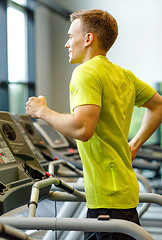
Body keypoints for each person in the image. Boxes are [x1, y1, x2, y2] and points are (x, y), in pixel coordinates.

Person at [26, 9, 162, 240]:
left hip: (108, 200)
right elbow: (158, 105)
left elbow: (82, 129)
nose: (67, 44)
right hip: (118, 193)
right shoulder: (123, 74)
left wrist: (43, 112)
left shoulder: (85, 73)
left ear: (88, 38)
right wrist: (134, 145)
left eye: (71, 36)